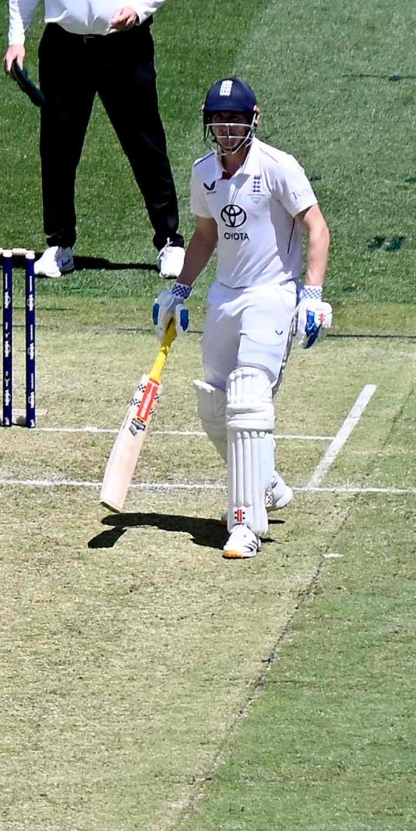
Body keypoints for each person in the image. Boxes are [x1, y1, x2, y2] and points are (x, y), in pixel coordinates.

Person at [153, 78, 333, 560]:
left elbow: (316, 227)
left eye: (234, 119)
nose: (226, 128)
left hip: (273, 295)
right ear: (208, 122)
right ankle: (266, 481)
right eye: (218, 119)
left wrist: (312, 296)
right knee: (214, 403)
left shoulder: (278, 167)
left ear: (253, 118)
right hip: (225, 297)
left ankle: (246, 526)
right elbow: (206, 235)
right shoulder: (204, 173)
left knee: (249, 397)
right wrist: (180, 289)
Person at [5, 0, 185, 281]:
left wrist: (138, 9)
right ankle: (60, 245)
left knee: (144, 142)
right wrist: (16, 38)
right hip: (64, 46)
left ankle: (169, 241)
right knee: (58, 149)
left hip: (125, 44)